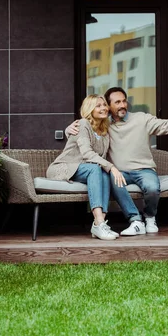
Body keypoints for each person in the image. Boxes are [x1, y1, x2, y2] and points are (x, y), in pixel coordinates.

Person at [67, 87, 168, 236]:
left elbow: (165, 125)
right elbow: (85, 132)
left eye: (124, 101)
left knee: (152, 187)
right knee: (113, 180)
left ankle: (150, 217)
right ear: (109, 106)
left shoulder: (141, 119)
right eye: (117, 102)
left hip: (144, 169)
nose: (122, 105)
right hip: (120, 172)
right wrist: (69, 130)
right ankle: (136, 221)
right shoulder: (105, 126)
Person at [47, 94, 127, 241]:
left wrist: (108, 168)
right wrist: (112, 167)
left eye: (104, 105)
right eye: (98, 105)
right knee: (97, 168)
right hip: (63, 167)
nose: (103, 108)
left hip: (86, 168)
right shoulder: (83, 124)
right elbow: (87, 153)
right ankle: (99, 222)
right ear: (90, 109)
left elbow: (100, 157)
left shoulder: (104, 129)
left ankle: (99, 223)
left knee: (102, 171)